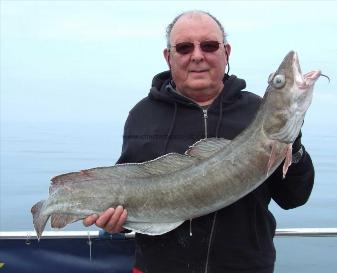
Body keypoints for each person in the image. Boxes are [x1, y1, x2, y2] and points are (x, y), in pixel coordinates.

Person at [84, 10, 314, 273]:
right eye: (183, 48)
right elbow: (129, 191)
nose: (197, 55)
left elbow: (294, 197)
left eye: (209, 45)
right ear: (168, 57)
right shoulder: (142, 115)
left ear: (226, 52)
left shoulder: (256, 110)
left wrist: (292, 144)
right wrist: (118, 222)